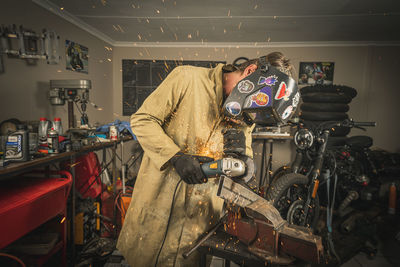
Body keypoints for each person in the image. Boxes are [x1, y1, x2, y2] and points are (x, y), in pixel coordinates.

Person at [117, 52, 294, 267]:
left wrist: (246, 166)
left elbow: (243, 154)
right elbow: (142, 120)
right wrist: (176, 157)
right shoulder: (187, 79)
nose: (247, 116)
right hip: (155, 212)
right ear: (250, 73)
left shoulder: (244, 113)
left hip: (197, 226)